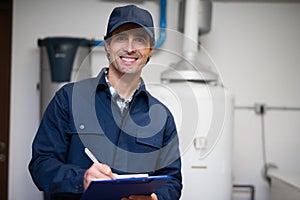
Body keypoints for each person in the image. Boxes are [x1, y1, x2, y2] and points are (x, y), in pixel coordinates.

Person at [29, 4, 182, 200]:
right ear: (107, 45)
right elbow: (41, 165)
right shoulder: (68, 99)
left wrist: (155, 198)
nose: (129, 48)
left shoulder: (162, 116)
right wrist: (81, 179)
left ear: (150, 50)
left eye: (139, 40)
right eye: (121, 38)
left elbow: (172, 181)